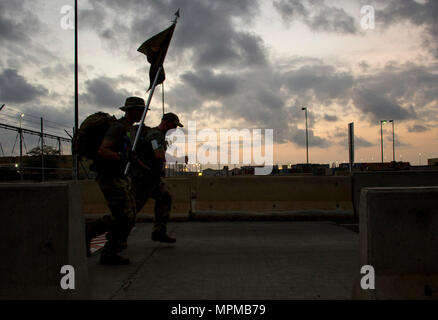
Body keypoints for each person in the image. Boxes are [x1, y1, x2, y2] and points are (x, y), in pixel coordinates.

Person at [85, 97, 145, 265]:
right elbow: (103, 150)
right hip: (109, 176)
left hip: (122, 176)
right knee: (123, 216)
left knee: (130, 215)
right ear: (131, 111)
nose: (142, 114)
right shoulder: (117, 128)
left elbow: (129, 154)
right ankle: (106, 249)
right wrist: (120, 157)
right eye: (140, 111)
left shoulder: (129, 130)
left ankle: (104, 242)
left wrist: (141, 165)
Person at [129, 112, 183, 243]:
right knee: (130, 211)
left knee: (164, 197)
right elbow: (158, 154)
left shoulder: (159, 136)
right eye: (173, 125)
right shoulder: (155, 135)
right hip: (143, 179)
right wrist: (180, 158)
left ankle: (159, 232)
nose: (174, 129)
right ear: (165, 123)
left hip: (151, 178)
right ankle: (102, 231)